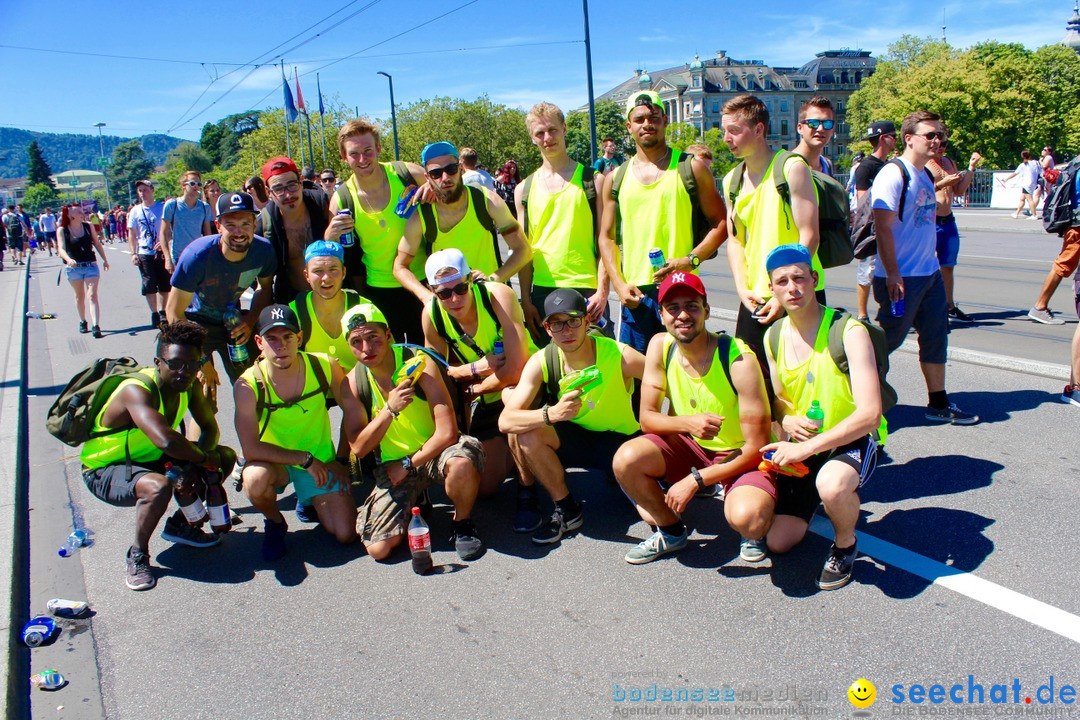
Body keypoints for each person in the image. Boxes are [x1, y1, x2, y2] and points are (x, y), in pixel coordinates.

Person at [612, 271, 772, 564]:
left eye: (692, 306)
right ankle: (671, 532)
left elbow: (757, 447)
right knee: (625, 460)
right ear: (661, 315)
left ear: (707, 311)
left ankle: (758, 518)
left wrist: (696, 480)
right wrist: (689, 422)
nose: (682, 315)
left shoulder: (739, 359)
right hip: (691, 445)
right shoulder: (660, 346)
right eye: (673, 308)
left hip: (737, 452)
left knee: (749, 518)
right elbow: (646, 418)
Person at [760, 243, 883, 590]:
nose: (792, 287)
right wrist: (785, 421)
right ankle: (819, 498)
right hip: (805, 446)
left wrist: (804, 451)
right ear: (771, 289)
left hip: (852, 438)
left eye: (799, 277)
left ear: (814, 279)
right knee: (778, 542)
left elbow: (871, 414)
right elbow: (780, 402)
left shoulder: (848, 331)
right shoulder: (772, 336)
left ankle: (845, 545)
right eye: (781, 281)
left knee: (832, 484)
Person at [80, 320, 235, 590]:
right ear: (158, 362)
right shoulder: (136, 390)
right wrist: (198, 460)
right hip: (106, 470)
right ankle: (137, 555)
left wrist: (207, 462)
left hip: (151, 458)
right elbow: (167, 441)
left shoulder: (190, 385)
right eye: (175, 363)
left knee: (223, 457)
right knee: (158, 486)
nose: (183, 372)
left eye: (192, 364)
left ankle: (181, 524)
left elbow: (209, 428)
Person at [341, 302, 486, 562]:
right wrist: (389, 409)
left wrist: (408, 465)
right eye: (357, 341)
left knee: (462, 463)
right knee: (379, 549)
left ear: (388, 335)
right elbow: (358, 448)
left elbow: (448, 433)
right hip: (395, 464)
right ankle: (417, 497)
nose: (366, 348)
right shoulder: (352, 383)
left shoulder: (419, 364)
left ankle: (462, 523)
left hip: (436, 452)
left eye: (373, 337)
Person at [499, 289, 644, 545]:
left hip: (623, 443)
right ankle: (567, 509)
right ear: (547, 328)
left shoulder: (619, 355)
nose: (566, 331)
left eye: (573, 321)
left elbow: (670, 381)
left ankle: (626, 476)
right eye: (557, 323)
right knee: (528, 432)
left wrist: (671, 435)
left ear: (587, 322)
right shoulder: (542, 359)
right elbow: (506, 421)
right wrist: (551, 413)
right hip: (577, 438)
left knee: (659, 518)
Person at [871, 109, 978, 424]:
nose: (937, 140)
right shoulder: (894, 174)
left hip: (928, 274)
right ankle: (853, 394)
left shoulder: (925, 175)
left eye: (940, 135)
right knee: (885, 342)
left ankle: (938, 403)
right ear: (908, 139)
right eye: (929, 135)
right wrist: (892, 273)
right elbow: (883, 228)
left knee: (935, 336)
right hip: (901, 277)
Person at [599, 90, 727, 354]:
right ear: (629, 126)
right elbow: (606, 237)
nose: (647, 123)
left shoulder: (691, 167)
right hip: (637, 295)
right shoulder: (617, 178)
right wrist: (620, 285)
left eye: (654, 117)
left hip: (682, 290)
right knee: (639, 384)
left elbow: (722, 223)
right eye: (640, 119)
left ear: (665, 120)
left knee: (690, 378)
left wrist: (690, 260)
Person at [233, 304, 358, 560]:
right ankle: (275, 521)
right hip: (276, 463)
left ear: (299, 338)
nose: (281, 346)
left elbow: (354, 411)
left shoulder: (324, 366)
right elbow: (251, 449)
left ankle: (308, 497)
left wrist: (342, 460)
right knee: (254, 479)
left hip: (320, 461)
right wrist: (305, 460)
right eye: (272, 339)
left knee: (345, 534)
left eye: (288, 337)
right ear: (259, 342)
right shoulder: (247, 385)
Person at [421, 249, 536, 498]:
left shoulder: (498, 296)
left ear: (471, 280)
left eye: (460, 289)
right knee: (484, 489)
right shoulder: (431, 316)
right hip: (486, 392)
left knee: (513, 402)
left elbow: (516, 370)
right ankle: (521, 453)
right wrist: (474, 369)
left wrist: (473, 386)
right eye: (444, 293)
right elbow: (439, 377)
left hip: (527, 385)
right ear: (433, 292)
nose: (454, 299)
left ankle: (529, 492)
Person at [722, 93, 822, 358]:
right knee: (754, 381)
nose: (726, 139)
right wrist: (742, 289)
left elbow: (810, 234)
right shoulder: (732, 180)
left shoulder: (791, 167)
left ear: (758, 130)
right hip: (757, 296)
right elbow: (735, 241)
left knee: (805, 382)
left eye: (734, 130)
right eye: (724, 131)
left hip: (800, 293)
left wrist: (783, 294)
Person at [165, 191, 276, 408]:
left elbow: (265, 288)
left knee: (255, 391)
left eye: (245, 223)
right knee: (205, 401)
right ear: (218, 226)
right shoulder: (197, 256)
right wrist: (201, 359)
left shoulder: (263, 251)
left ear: (255, 224)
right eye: (230, 224)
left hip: (230, 322)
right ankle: (203, 439)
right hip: (193, 326)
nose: (239, 231)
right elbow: (173, 313)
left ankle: (260, 440)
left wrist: (251, 319)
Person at [325, 119, 428, 344]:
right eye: (354, 154)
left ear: (378, 148)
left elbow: (445, 196)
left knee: (433, 357)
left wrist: (433, 188)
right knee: (392, 362)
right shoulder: (342, 199)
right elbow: (329, 254)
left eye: (368, 151)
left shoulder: (408, 174)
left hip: (423, 281)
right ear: (344, 157)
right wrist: (330, 237)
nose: (362, 159)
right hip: (378, 291)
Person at [516, 102, 609, 345]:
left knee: (594, 372)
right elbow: (524, 252)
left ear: (564, 129)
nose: (547, 138)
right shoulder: (523, 189)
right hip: (543, 292)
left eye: (552, 130)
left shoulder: (593, 181)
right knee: (551, 371)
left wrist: (602, 290)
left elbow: (606, 241)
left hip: (586, 290)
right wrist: (526, 301)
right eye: (540, 133)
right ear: (532, 138)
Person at [393, 142, 532, 303]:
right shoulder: (421, 216)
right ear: (427, 178)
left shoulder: (486, 200)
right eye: (436, 174)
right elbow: (399, 266)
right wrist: (427, 297)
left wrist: (492, 280)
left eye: (451, 169)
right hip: (451, 306)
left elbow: (523, 250)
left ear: (460, 168)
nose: (445, 178)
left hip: (492, 299)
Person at [256, 156, 332, 304]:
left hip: (332, 297)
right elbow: (262, 282)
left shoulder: (324, 206)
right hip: (292, 300)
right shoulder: (264, 223)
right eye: (278, 189)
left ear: (301, 182)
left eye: (292, 185)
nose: (288, 194)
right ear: (268, 192)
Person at [926, 132, 981, 322]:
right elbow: (920, 192)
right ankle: (924, 309)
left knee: (948, 266)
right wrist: (942, 184)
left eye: (945, 144)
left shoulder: (948, 162)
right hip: (930, 222)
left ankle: (949, 307)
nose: (941, 148)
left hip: (948, 221)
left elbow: (958, 190)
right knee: (927, 267)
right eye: (939, 144)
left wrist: (971, 168)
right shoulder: (924, 163)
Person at [288, 240, 366, 371]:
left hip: (359, 389)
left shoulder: (365, 309)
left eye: (333, 269)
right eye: (318, 271)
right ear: (306, 275)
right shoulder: (293, 313)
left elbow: (386, 359)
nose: (326, 278)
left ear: (344, 272)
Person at [852, 121, 898, 322]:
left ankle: (893, 310)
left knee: (891, 268)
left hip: (891, 225)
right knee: (866, 272)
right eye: (893, 135)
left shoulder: (891, 166)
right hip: (871, 228)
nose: (896, 139)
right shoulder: (867, 167)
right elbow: (863, 204)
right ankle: (862, 314)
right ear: (882, 138)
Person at [1028, 163, 1080, 326]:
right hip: (1078, 225)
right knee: (1064, 264)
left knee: (1066, 263)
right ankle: (1040, 306)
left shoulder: (1075, 163)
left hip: (1074, 221)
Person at [56, 204, 110, 338]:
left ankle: (96, 325)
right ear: (70, 215)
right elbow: (61, 249)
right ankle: (82, 320)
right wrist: (68, 259)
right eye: (79, 212)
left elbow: (97, 243)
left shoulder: (88, 226)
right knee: (79, 296)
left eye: (82, 211)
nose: (82, 213)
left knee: (92, 295)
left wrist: (104, 259)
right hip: (74, 269)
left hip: (90, 266)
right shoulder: (62, 230)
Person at [127, 180, 171, 328]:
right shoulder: (135, 211)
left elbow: (170, 229)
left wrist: (166, 241)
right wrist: (133, 253)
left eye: (145, 190)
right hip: (144, 252)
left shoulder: (162, 208)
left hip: (161, 251)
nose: (142, 193)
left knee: (165, 283)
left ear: (152, 190)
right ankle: (154, 313)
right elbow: (132, 234)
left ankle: (163, 311)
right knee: (149, 284)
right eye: (140, 190)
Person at [160, 170, 214, 273]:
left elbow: (207, 234)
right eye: (192, 183)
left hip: (197, 256)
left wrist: (209, 256)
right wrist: (167, 259)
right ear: (183, 185)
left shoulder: (204, 207)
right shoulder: (172, 205)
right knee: (180, 289)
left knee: (198, 288)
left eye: (199, 184)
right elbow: (163, 233)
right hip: (178, 257)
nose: (196, 186)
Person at [793, 96, 836, 177]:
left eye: (827, 123)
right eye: (813, 123)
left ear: (832, 130)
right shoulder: (787, 165)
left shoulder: (826, 165)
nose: (820, 129)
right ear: (800, 128)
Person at [999, 150, 1041, 219]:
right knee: (1022, 198)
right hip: (1033, 183)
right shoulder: (1036, 163)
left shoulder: (1023, 165)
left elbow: (1015, 173)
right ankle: (1016, 213)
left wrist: (1006, 179)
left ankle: (1034, 215)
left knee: (1030, 199)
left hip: (1026, 184)